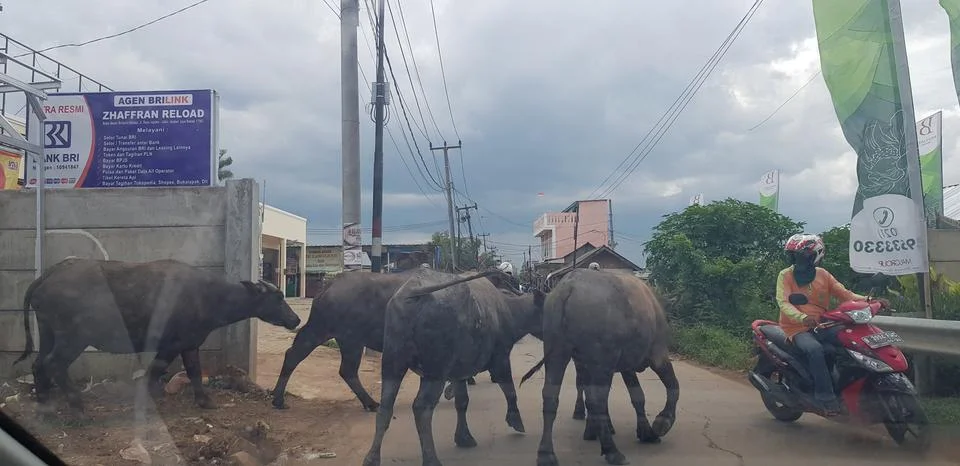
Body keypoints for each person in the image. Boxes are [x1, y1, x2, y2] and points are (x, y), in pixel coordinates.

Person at [776, 233, 887, 415]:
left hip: (822, 324)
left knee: (851, 339)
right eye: (795, 256)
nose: (798, 260)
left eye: (803, 256)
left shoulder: (823, 275)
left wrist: (870, 300)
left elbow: (846, 295)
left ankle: (853, 387)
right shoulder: (785, 275)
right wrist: (803, 318)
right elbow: (783, 302)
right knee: (815, 350)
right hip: (795, 328)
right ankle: (825, 398)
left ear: (815, 256)